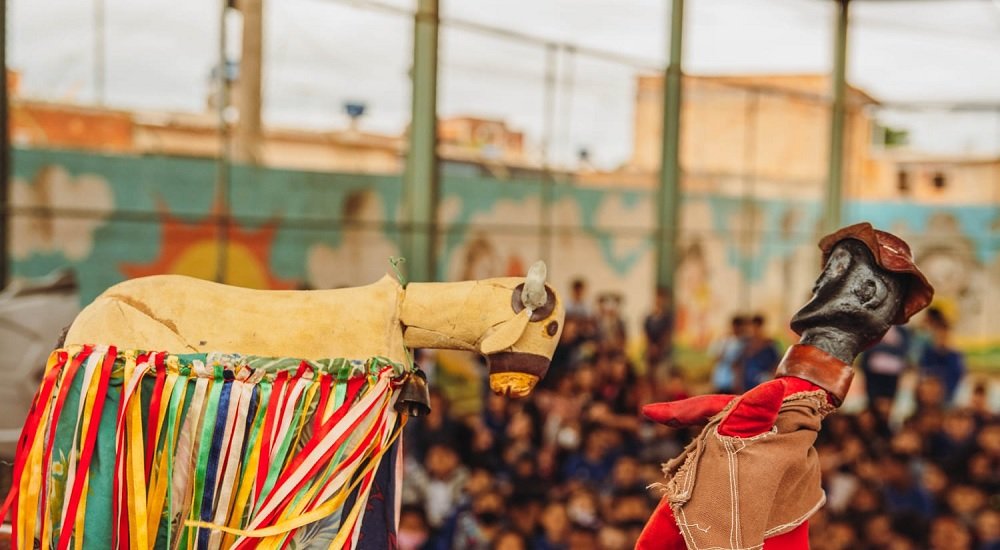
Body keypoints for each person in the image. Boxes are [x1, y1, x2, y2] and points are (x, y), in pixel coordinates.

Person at [918, 307, 965, 405]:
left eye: (944, 336)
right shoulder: (927, 354)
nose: (942, 339)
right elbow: (923, 374)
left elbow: (957, 377)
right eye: (939, 336)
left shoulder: (955, 357)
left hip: (947, 398)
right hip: (927, 398)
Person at [859, 324, 913, 410]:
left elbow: (904, 350)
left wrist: (882, 348)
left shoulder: (902, 331)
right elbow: (869, 348)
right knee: (873, 403)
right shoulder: (875, 328)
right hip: (874, 372)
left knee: (889, 403)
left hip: (893, 373)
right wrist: (891, 347)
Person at [738, 314, 782, 391]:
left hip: (764, 385)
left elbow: (777, 363)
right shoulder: (745, 345)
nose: (753, 330)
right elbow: (741, 366)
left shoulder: (770, 345)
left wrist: (771, 379)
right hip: (747, 385)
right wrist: (738, 383)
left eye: (756, 327)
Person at [709, 315, 748, 393]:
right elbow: (715, 358)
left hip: (734, 382)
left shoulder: (745, 343)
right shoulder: (724, 341)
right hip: (721, 380)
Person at [643, 287, 674, 375]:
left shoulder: (668, 317)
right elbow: (646, 334)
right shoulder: (649, 318)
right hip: (650, 353)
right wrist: (651, 347)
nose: (659, 300)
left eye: (661, 298)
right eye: (657, 298)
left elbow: (667, 334)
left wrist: (659, 347)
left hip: (663, 354)